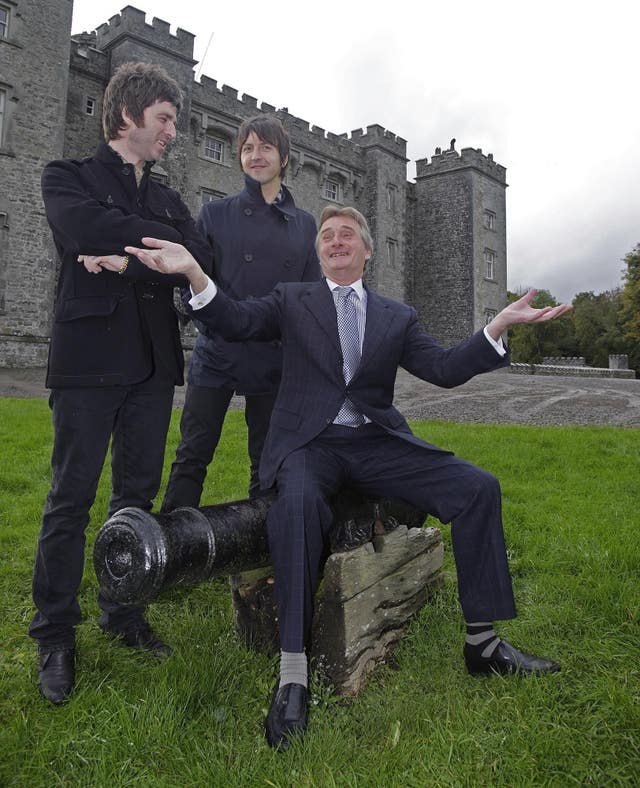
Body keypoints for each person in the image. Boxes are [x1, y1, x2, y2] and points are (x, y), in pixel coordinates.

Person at [125, 206, 571, 749]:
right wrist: (194, 274)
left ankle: (482, 644)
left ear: (366, 251)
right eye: (327, 237)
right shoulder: (293, 300)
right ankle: (293, 673)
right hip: (310, 443)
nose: (336, 242)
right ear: (320, 253)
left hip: (376, 442)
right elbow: (237, 321)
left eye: (347, 236)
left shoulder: (396, 315)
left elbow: (446, 370)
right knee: (295, 508)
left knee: (478, 488)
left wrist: (496, 327)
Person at [31, 62, 212, 705]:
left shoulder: (166, 197)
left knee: (135, 498)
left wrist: (130, 260)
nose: (173, 133)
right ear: (130, 115)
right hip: (86, 366)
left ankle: (123, 612)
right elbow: (86, 229)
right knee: (70, 500)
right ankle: (55, 633)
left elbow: (201, 258)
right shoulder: (67, 177)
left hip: (153, 369)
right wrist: (164, 256)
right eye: (166, 119)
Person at [161, 115, 320, 511]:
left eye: (265, 147)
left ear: (284, 157)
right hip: (218, 350)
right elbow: (192, 281)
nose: (255, 155)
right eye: (247, 148)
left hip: (273, 356)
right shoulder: (215, 214)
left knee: (266, 464)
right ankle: (172, 551)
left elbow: (309, 296)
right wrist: (210, 324)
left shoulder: (305, 225)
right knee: (192, 455)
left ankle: (265, 552)